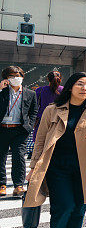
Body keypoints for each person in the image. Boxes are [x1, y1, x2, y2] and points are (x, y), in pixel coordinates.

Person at [24, 72, 86, 228]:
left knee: (79, 208)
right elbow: (40, 140)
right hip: (57, 167)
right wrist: (33, 167)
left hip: (85, 168)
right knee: (64, 206)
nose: (84, 88)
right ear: (70, 86)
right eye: (80, 84)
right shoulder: (52, 110)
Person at [0, 66, 38, 197]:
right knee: (1, 158)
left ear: (22, 77)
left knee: (19, 158)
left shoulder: (30, 93)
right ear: (6, 78)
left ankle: (18, 185)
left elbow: (34, 111)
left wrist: (29, 126)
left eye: (18, 75)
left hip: (20, 130)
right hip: (2, 129)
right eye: (12, 76)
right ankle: (2, 185)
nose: (16, 78)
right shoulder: (2, 92)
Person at [33, 70, 62, 142]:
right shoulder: (64, 90)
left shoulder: (40, 90)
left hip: (42, 119)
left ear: (47, 79)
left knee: (40, 141)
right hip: (59, 119)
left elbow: (35, 106)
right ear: (60, 79)